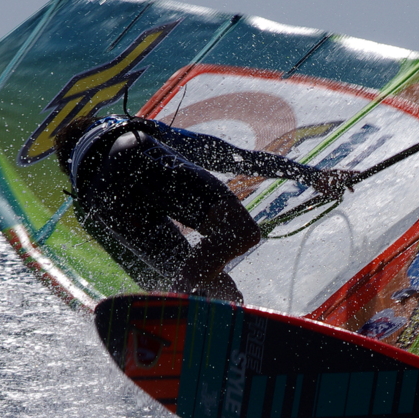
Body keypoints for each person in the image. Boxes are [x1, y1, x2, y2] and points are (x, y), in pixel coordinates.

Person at [54, 115, 357, 302]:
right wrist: (311, 175)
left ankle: (193, 309)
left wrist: (159, 298)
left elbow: (134, 264)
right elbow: (230, 157)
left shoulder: (82, 192)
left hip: (103, 202)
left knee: (202, 281)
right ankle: (188, 298)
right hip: (131, 151)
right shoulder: (116, 125)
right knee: (240, 233)